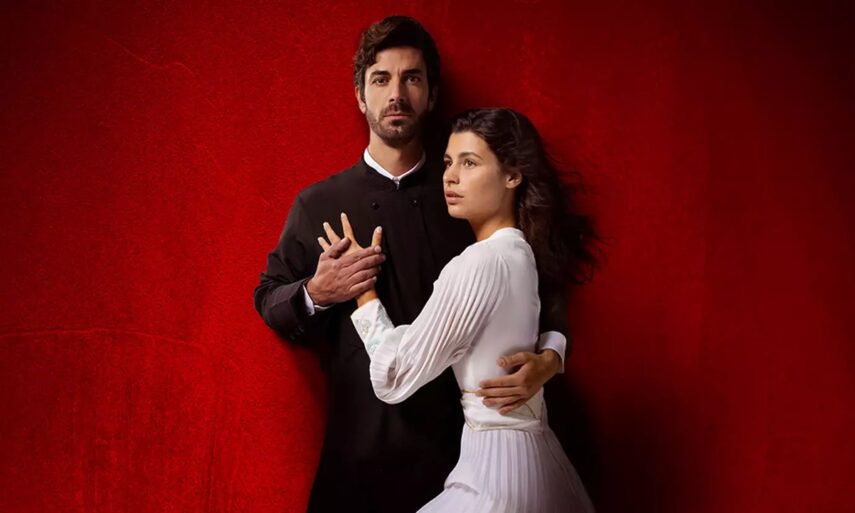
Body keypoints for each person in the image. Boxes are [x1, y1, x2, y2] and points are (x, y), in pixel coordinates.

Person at [254, 17, 572, 513]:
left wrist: (549, 360)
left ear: (431, 94)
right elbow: (268, 298)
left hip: (460, 455)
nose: (396, 94)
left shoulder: (468, 202)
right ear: (360, 96)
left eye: (412, 79)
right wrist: (317, 291)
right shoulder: (318, 203)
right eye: (381, 79)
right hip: (359, 452)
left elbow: (541, 287)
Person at [323, 108, 598, 512]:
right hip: (532, 459)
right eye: (449, 162)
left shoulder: (478, 262)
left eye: (469, 163)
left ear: (512, 175)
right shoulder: (521, 251)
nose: (449, 177)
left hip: (496, 477)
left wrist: (364, 294)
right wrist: (550, 356)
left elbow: (394, 377)